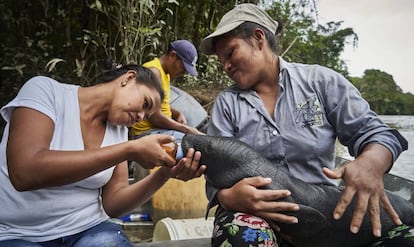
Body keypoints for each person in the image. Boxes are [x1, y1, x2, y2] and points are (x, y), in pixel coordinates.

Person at [199, 3, 411, 247]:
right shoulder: (227, 103)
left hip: (323, 212)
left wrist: (370, 163)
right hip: (256, 214)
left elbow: (377, 134)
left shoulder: (320, 81)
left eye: (231, 53)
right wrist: (230, 198)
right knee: (241, 235)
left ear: (258, 38)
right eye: (221, 60)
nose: (225, 66)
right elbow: (217, 173)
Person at [0, 64, 206, 246]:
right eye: (145, 103)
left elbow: (113, 205)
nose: (141, 117)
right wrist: (129, 149)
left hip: (88, 229)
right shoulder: (46, 92)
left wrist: (163, 175)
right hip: (19, 233)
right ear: (128, 78)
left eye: (147, 115)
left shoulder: (118, 131)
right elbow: (25, 171)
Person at [130, 39, 204, 142]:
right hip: (147, 133)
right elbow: (153, 116)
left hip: (161, 130)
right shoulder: (153, 72)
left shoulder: (166, 73)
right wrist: (185, 129)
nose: (183, 73)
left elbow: (159, 104)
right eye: (183, 67)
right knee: (195, 143)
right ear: (172, 55)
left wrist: (176, 113)